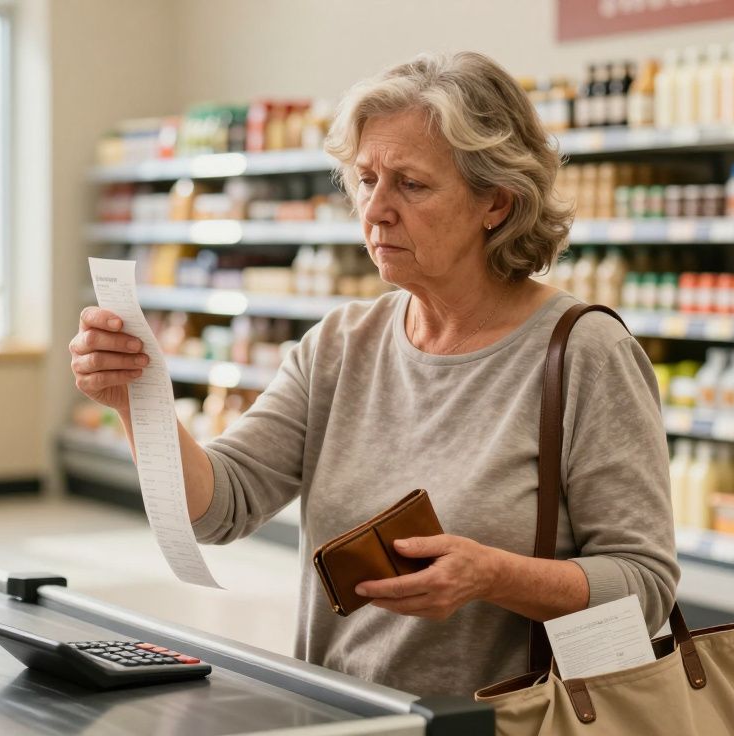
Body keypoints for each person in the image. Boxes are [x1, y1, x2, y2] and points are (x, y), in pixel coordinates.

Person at [69, 52, 678, 697]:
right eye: (365, 179)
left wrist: (492, 575)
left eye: (410, 185)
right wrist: (139, 402)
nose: (376, 209)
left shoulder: (585, 353)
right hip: (345, 711)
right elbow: (218, 508)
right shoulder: (340, 344)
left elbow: (644, 588)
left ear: (495, 202)